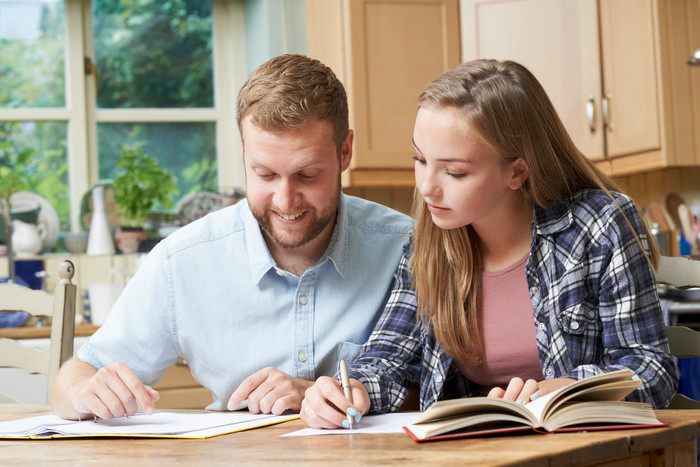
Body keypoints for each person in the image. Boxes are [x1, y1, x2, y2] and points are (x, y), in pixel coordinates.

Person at [301, 58, 678, 429]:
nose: (427, 186)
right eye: (419, 159)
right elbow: (388, 357)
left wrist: (567, 391)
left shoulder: (597, 224)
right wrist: (349, 390)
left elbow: (650, 368)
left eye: (454, 171)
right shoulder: (429, 243)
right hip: (475, 450)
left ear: (516, 171)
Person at [51, 54, 412, 421]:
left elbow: (437, 389)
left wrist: (334, 393)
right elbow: (75, 377)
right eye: (265, 174)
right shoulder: (182, 262)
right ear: (243, 152)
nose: (286, 201)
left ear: (345, 151)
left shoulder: (406, 249)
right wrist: (83, 392)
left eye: (307, 174)